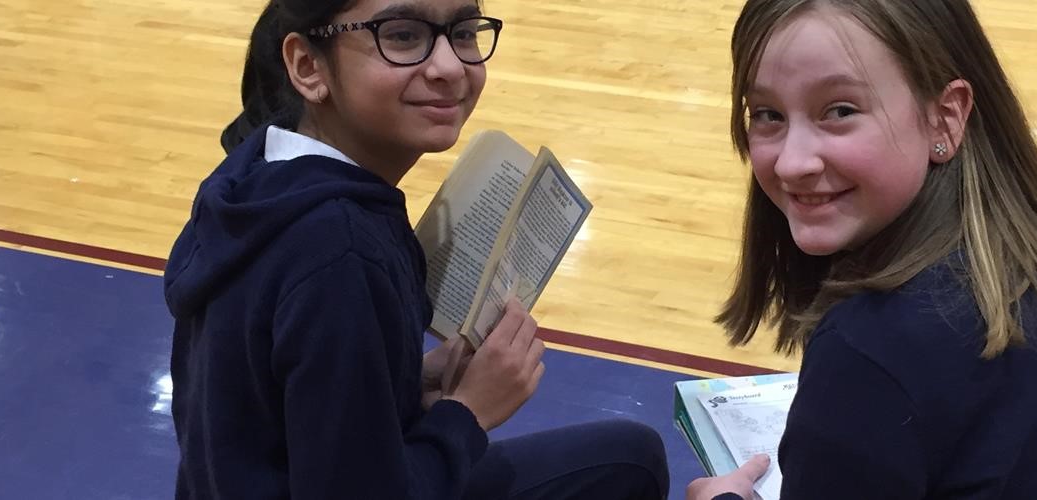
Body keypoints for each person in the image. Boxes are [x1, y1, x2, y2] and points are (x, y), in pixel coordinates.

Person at [685, 0, 1037, 498]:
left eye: (840, 110)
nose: (791, 162)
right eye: (767, 114)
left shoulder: (869, 354)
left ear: (946, 115)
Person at [163, 0, 667, 498]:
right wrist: (467, 413)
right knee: (630, 464)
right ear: (307, 65)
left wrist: (404, 382)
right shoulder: (341, 253)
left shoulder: (256, 173)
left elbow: (283, 404)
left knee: (628, 457)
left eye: (465, 31)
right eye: (402, 35)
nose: (450, 66)